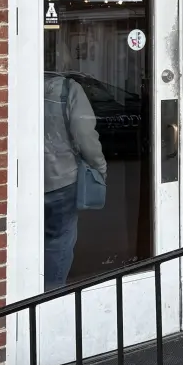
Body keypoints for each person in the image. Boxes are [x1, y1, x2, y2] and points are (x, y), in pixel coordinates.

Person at [43, 60, 107, 289]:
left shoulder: (20, 84)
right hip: (61, 179)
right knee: (59, 242)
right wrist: (100, 167)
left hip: (26, 181)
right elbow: (85, 135)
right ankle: (51, 297)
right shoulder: (67, 89)